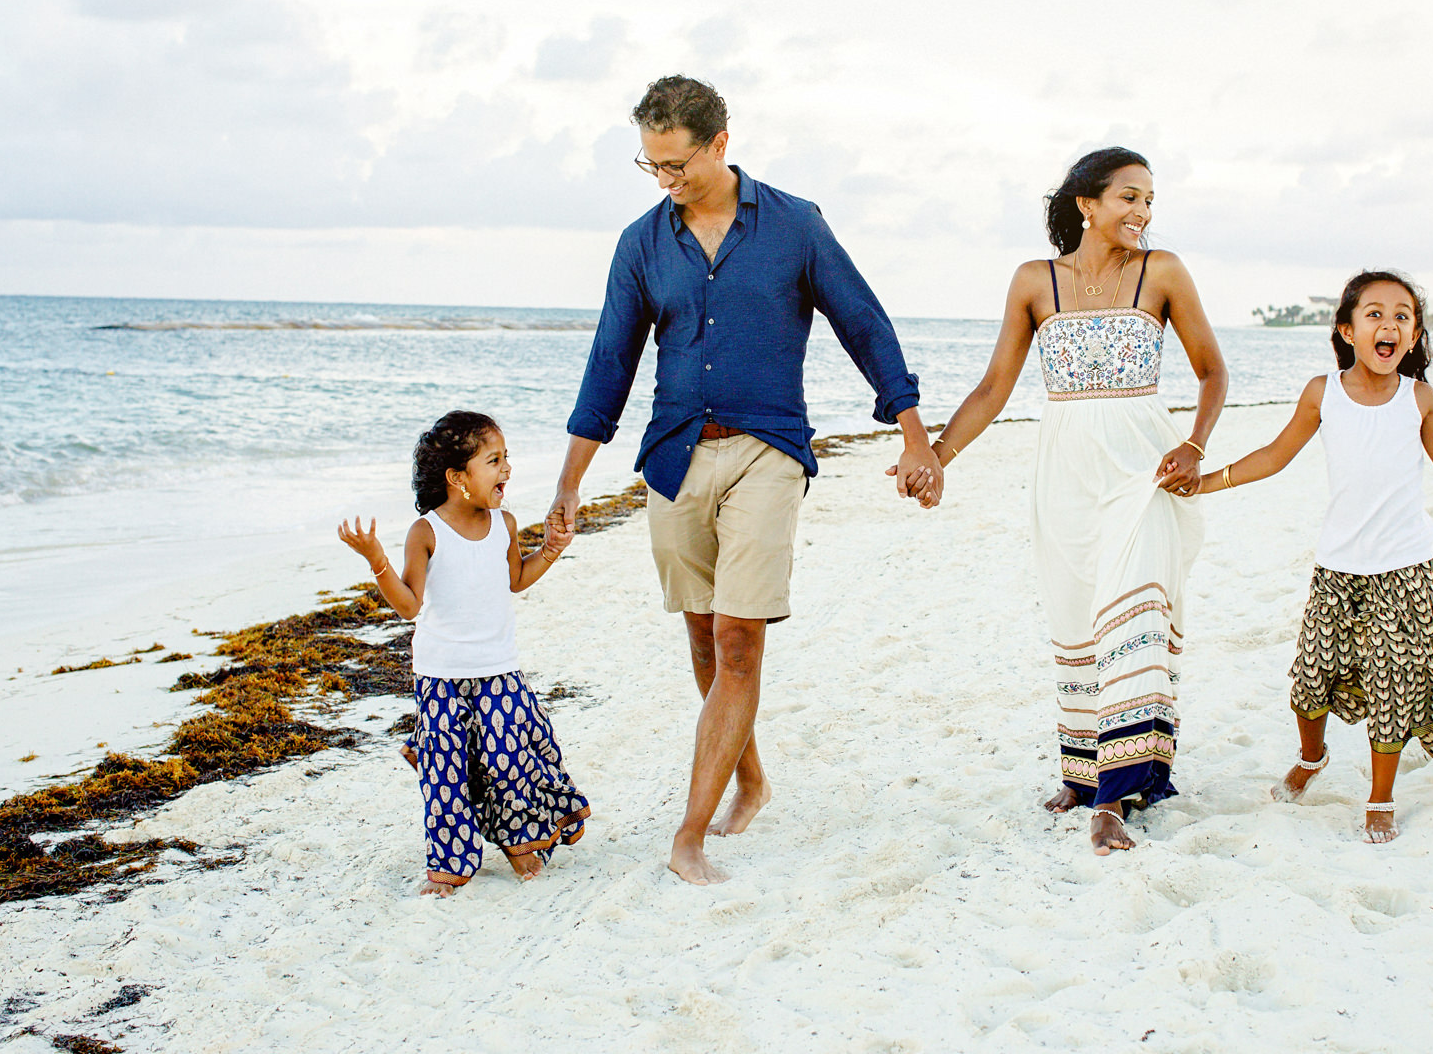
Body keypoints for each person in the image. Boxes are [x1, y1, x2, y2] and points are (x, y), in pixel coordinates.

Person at [549, 76, 941, 885]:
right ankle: (751, 778)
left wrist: (914, 438)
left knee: (737, 638)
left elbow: (862, 322)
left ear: (720, 144)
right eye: (651, 165)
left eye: (676, 162)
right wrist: (568, 485)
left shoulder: (795, 225)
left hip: (767, 448)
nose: (666, 179)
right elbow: (609, 365)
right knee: (702, 633)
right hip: (674, 455)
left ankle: (687, 835)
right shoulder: (643, 242)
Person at [924, 148, 1226, 855]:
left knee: (1133, 619)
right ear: (1086, 204)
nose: (1143, 214)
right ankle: (1082, 772)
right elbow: (995, 387)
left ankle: (1116, 797)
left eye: (1150, 201)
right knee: (1077, 621)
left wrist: (1195, 444)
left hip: (1143, 470)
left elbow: (1212, 370)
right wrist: (937, 456)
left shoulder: (1164, 272)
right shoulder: (1035, 282)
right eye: (1129, 198)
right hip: (1064, 472)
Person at [1193, 270, 1433, 842]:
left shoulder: (1419, 398)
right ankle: (1312, 759)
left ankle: (1380, 797)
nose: (1389, 323)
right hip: (1337, 572)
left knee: (1393, 689)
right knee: (1309, 684)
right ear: (1348, 329)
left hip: (1406, 574)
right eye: (1375, 314)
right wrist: (1205, 482)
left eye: (1403, 316)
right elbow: (1275, 455)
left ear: (1413, 337)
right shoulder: (1323, 391)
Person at [339, 410, 590, 895]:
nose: (507, 470)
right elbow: (409, 606)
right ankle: (449, 866)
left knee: (510, 764)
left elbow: (515, 579)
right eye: (494, 461)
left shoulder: (505, 524)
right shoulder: (426, 531)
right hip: (441, 677)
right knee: (446, 778)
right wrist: (377, 560)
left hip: (500, 672)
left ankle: (521, 844)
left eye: (506, 459)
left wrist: (551, 550)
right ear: (458, 478)